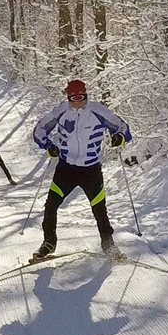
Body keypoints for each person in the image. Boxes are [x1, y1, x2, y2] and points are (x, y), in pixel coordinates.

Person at [30, 79, 131, 262]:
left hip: (90, 169)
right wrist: (48, 146)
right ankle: (49, 243)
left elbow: (123, 128)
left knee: (99, 210)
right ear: (68, 97)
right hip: (66, 169)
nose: (78, 102)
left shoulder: (97, 111)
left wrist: (119, 137)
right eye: (73, 98)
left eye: (81, 97)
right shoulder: (61, 111)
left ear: (86, 95)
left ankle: (109, 245)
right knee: (51, 205)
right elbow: (39, 130)